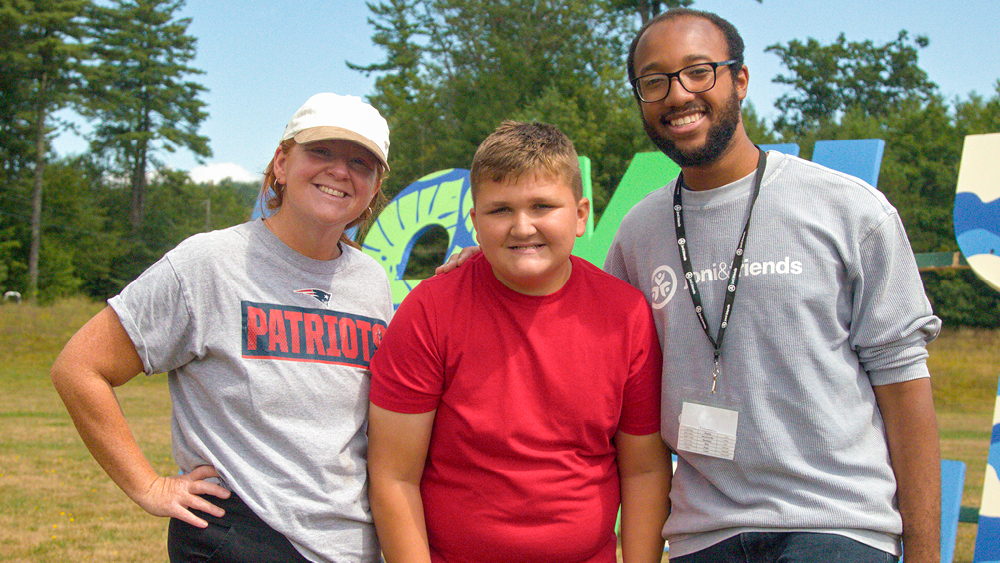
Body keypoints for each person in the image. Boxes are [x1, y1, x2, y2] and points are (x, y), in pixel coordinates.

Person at [605, 8, 942, 562]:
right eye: (654, 81)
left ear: (739, 79)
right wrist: (483, 264)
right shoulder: (638, 233)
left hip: (836, 527)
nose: (678, 94)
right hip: (702, 537)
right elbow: (575, 323)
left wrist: (927, 557)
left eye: (698, 71)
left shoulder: (849, 211)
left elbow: (905, 393)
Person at [50, 93, 393, 563]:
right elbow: (79, 368)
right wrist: (148, 486)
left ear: (374, 188)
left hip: (352, 544)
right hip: (244, 539)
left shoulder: (372, 282)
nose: (340, 171)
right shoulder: (208, 263)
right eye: (321, 152)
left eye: (361, 163)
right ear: (281, 163)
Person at [367, 121, 671, 563]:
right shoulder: (428, 312)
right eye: (500, 210)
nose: (522, 226)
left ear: (581, 214)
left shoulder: (627, 314)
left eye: (542, 205)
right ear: (474, 222)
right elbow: (394, 477)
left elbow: (644, 470)